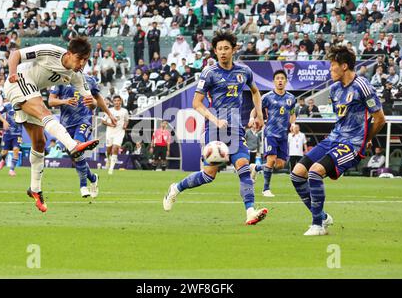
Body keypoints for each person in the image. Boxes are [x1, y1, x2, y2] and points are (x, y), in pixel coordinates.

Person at [163, 30, 268, 225]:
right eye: (219, 49)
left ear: (234, 49)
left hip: (236, 126)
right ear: (215, 51)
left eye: (226, 48)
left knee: (243, 168)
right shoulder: (209, 73)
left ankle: (250, 212)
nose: (223, 52)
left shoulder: (244, 71)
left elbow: (255, 92)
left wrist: (259, 114)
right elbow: (196, 103)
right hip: (214, 126)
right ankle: (175, 188)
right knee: (209, 175)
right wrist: (215, 120)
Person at [2, 37, 110, 213]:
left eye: (85, 60)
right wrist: (12, 73)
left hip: (33, 91)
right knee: (46, 114)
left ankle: (35, 189)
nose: (82, 63)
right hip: (18, 80)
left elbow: (90, 102)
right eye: (79, 59)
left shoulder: (77, 76)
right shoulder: (50, 51)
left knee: (39, 143)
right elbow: (15, 54)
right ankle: (72, 145)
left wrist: (91, 102)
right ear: (68, 54)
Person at [290, 45, 386, 236]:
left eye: (332, 66)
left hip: (351, 144)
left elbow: (380, 118)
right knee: (297, 174)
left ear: (344, 66)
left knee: (315, 173)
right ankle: (323, 216)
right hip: (333, 138)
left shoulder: (362, 86)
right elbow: (342, 119)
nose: (329, 70)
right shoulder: (334, 90)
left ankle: (317, 225)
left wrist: (365, 139)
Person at [49, 74, 112, 198]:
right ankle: (93, 178)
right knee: (74, 156)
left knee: (77, 149)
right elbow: (51, 101)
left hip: (84, 120)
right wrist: (64, 101)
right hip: (66, 125)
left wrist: (97, 106)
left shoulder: (89, 79)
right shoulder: (60, 78)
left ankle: (83, 186)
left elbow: (96, 101)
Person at [250, 70, 296, 197]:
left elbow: (292, 114)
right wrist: (252, 118)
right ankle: (266, 189)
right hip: (270, 132)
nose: (280, 80)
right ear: (273, 81)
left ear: (286, 81)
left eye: (282, 78)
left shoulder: (291, 98)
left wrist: (292, 124)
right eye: (278, 78)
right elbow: (255, 110)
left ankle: (256, 168)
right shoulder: (267, 97)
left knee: (280, 165)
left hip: (283, 135)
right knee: (271, 160)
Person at [102, 95, 129, 175]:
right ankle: (108, 159)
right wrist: (110, 124)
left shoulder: (124, 111)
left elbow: (127, 120)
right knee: (108, 150)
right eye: (115, 101)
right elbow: (103, 121)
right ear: (113, 102)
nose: (117, 102)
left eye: (118, 101)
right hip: (110, 132)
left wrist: (125, 125)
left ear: (121, 102)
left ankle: (111, 169)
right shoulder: (109, 110)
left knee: (115, 148)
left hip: (119, 133)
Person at [0, 99, 22, 176]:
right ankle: (3, 160)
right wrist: (4, 121)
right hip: (7, 133)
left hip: (18, 133)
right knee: (4, 152)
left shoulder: (22, 105)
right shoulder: (7, 105)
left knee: (16, 149)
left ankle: (11, 170)